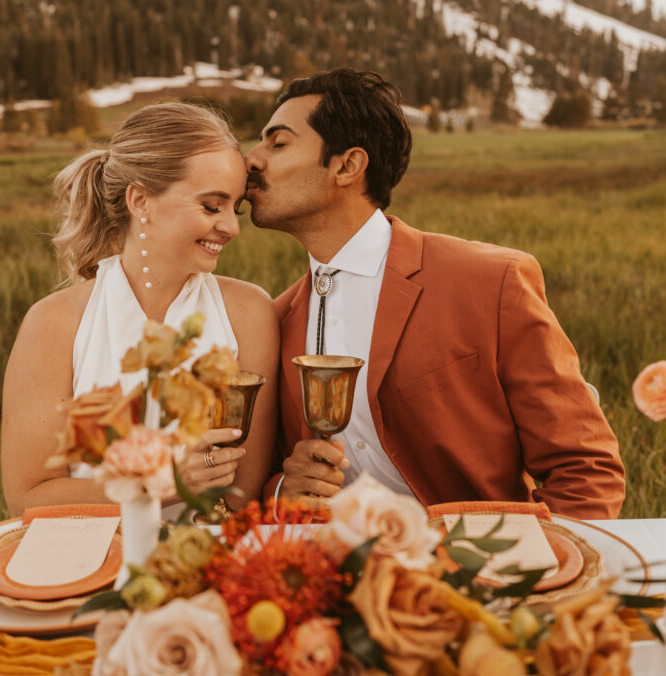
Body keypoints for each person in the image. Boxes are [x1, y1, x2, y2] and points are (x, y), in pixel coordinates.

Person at [246, 69, 625, 519]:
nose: (252, 159)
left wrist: (532, 571)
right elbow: (259, 479)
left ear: (347, 165)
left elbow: (586, 471)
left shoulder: (492, 282)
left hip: (480, 577)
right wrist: (283, 490)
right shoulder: (274, 319)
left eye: (278, 142)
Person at [1, 102, 278, 517]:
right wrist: (162, 481)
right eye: (210, 206)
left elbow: (242, 496)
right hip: (84, 564)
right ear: (140, 200)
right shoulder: (53, 323)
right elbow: (28, 498)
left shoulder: (250, 312)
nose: (232, 227)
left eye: (235, 207)